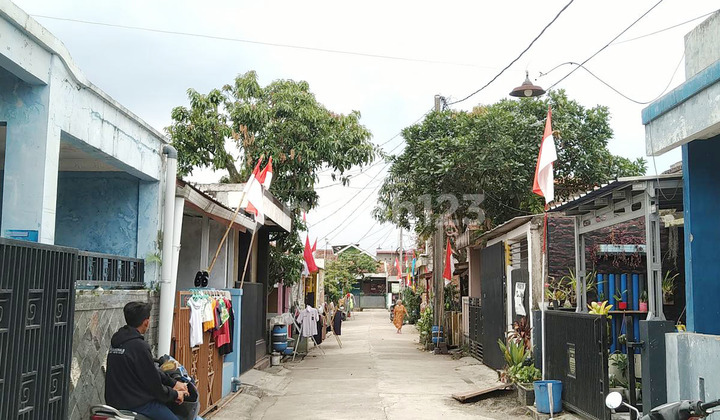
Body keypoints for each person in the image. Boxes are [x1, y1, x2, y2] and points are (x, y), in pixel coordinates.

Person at [105, 302, 189, 420]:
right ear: (146, 322)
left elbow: (149, 370)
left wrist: (173, 383)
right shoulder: (139, 346)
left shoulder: (117, 342)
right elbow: (154, 384)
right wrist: (175, 394)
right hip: (137, 405)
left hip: (114, 403)